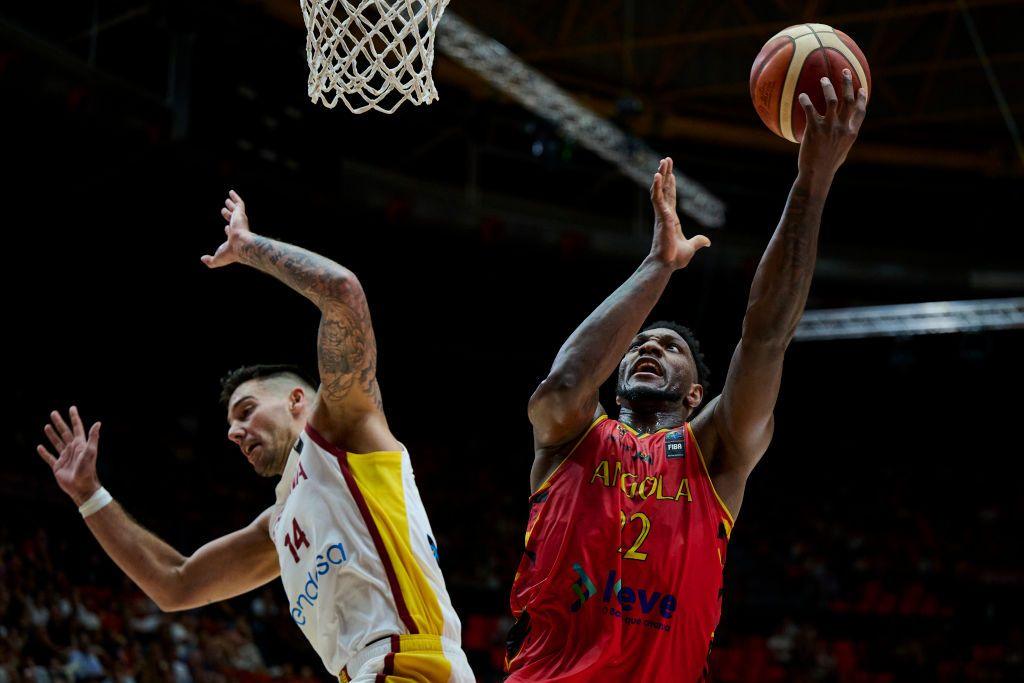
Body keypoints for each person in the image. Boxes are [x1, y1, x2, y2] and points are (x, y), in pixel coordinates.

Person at [505, 72, 868, 682]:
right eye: (640, 345)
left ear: (697, 392)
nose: (649, 347)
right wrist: (658, 265)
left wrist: (812, 183)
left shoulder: (715, 453)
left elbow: (767, 334)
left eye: (670, 347)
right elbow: (565, 383)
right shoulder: (571, 438)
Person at [36, 190, 474, 683]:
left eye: (246, 411)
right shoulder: (279, 521)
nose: (234, 432)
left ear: (296, 401)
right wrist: (89, 496)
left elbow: (344, 293)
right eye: (229, 425)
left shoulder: (344, 433)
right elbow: (175, 585)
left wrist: (247, 246)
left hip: (410, 664)